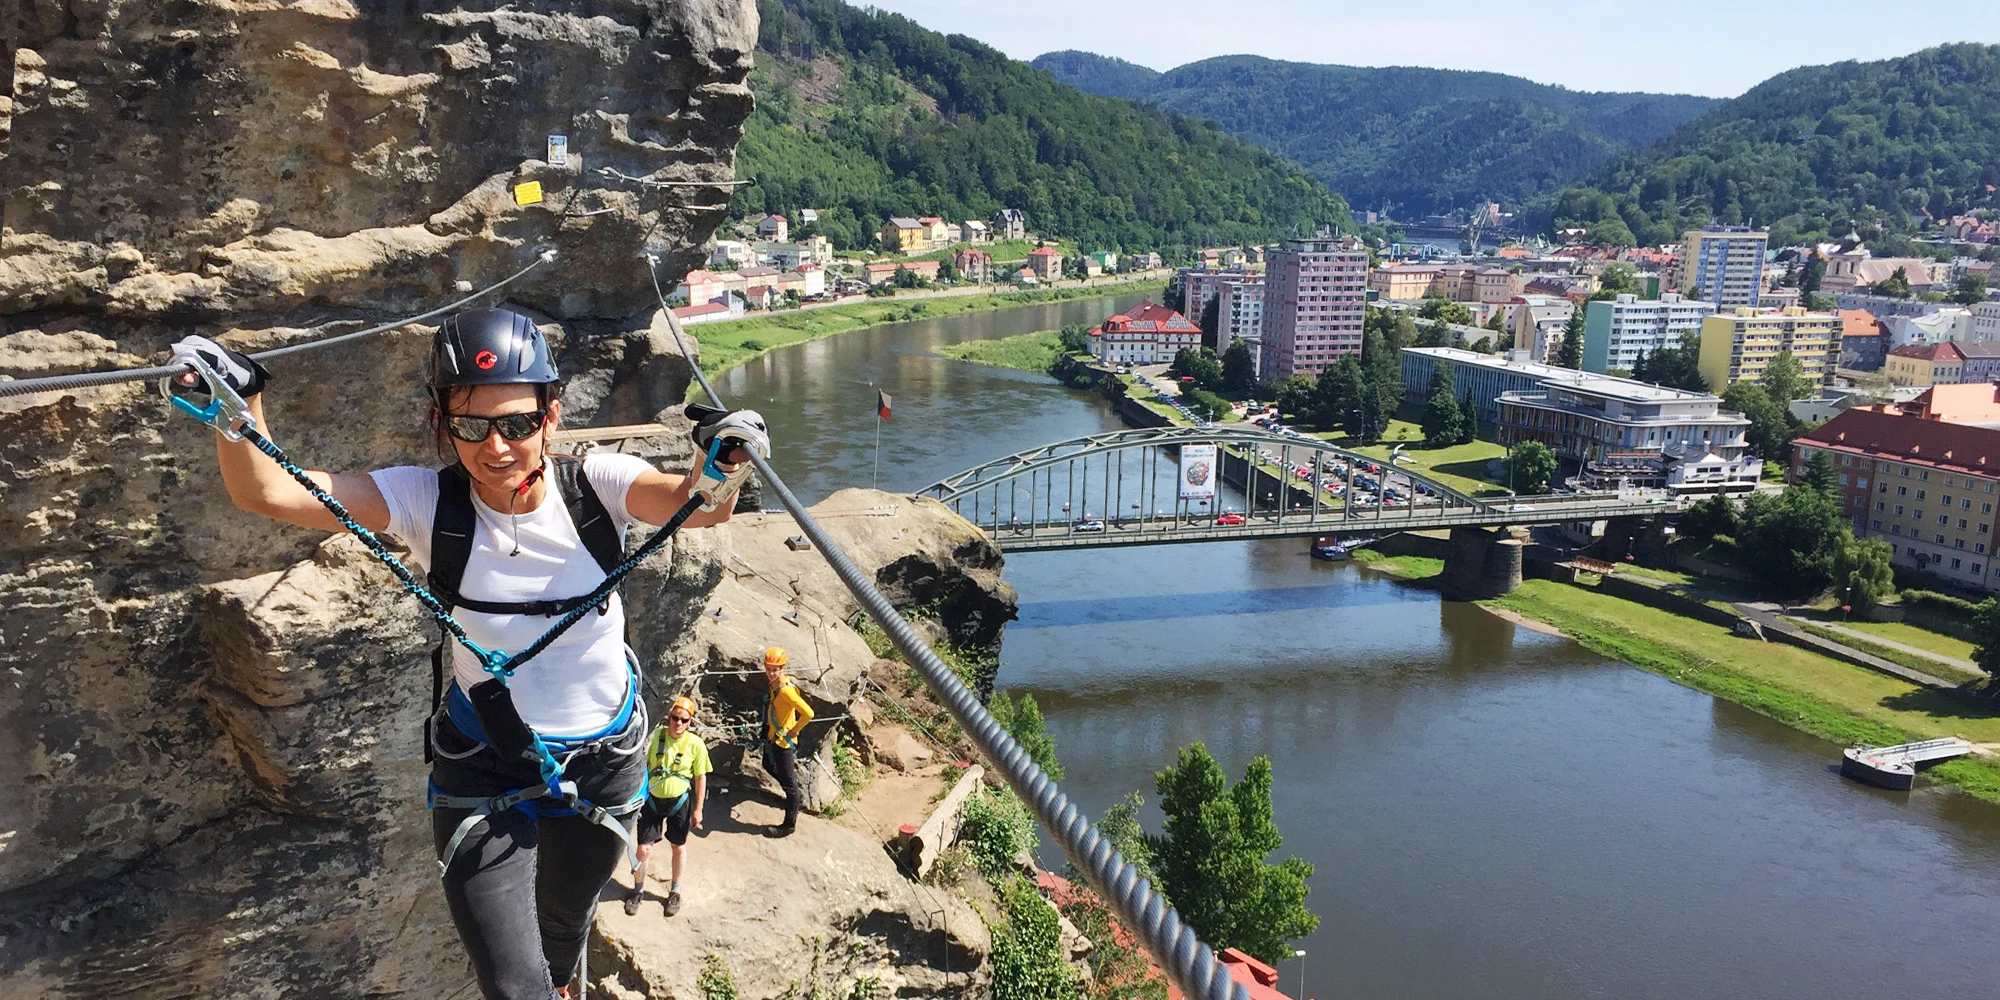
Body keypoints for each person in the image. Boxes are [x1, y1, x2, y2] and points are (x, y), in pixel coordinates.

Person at [171, 308, 768, 1000]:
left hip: (601, 765)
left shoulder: (596, 485)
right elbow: (266, 489)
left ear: (550, 417)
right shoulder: (425, 501)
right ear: (441, 423)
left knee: (565, 926)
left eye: (516, 423)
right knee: (515, 987)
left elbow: (699, 506)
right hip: (484, 763)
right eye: (471, 426)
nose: (496, 447)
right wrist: (238, 403)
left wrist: (719, 456)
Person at [626, 695, 710, 917]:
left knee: (678, 846)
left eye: (684, 720)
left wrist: (698, 809)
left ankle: (675, 891)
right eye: (675, 718)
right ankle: (637, 890)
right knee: (643, 848)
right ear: (669, 717)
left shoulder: (696, 745)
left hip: (679, 801)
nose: (679, 724)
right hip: (653, 799)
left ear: (690, 722)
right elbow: (644, 766)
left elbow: (700, 778)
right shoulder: (657, 738)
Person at [760, 646, 815, 836]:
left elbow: (808, 713)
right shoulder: (775, 685)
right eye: (768, 668)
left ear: (783, 668)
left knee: (791, 787)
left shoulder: (786, 691)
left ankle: (789, 825)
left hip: (783, 743)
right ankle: (790, 790)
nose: (771, 673)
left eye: (775, 669)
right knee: (767, 764)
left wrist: (793, 731)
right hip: (773, 737)